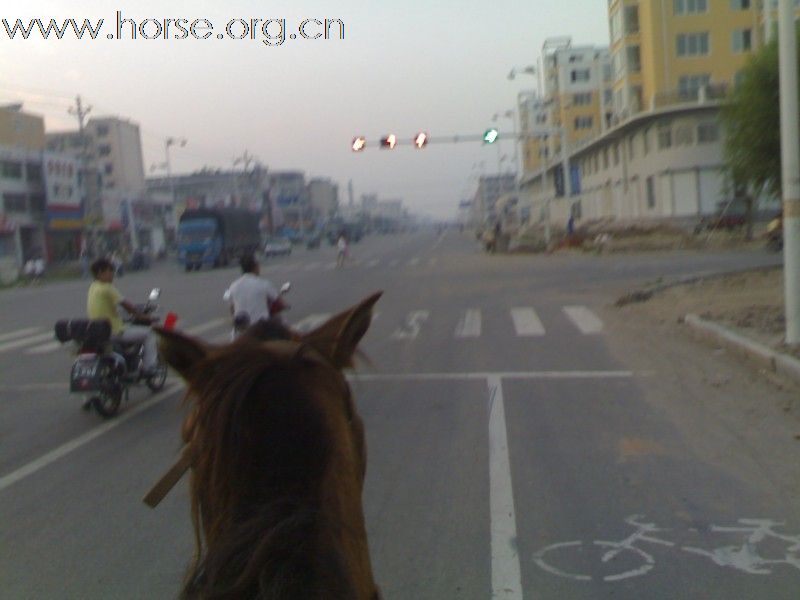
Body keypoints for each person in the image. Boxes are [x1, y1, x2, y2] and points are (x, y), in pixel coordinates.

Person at [87, 257, 158, 375]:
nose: (112, 276)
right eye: (110, 272)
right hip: (114, 331)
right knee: (149, 334)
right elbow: (127, 306)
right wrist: (144, 317)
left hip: (98, 331)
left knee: (129, 330)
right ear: (100, 272)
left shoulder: (93, 287)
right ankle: (149, 368)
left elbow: (107, 306)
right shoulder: (107, 288)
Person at [224, 253, 279, 336]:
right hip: (261, 328)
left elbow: (230, 304)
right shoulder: (264, 284)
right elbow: (278, 300)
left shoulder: (233, 285)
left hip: (240, 330)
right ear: (255, 267)